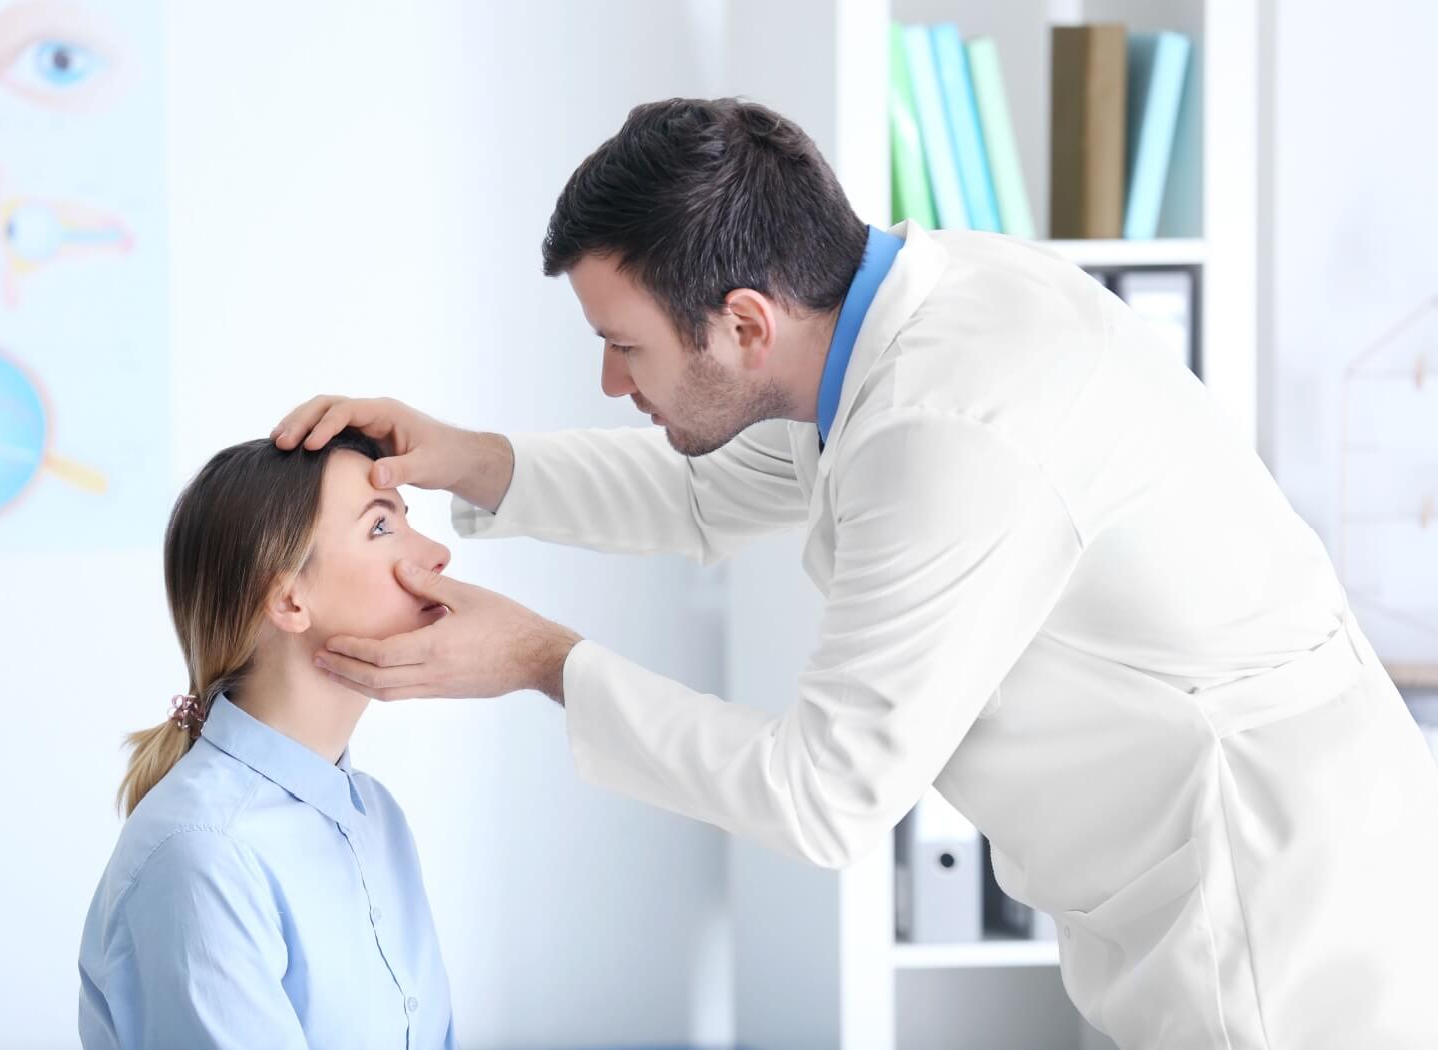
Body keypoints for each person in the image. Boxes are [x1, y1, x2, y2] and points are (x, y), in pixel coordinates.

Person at [274, 98, 1438, 1048]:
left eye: (624, 348)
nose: (613, 386)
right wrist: (467, 459)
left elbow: (820, 797)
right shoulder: (894, 311)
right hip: (1223, 865)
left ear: (741, 323)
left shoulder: (955, 429)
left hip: (1270, 922)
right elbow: (705, 489)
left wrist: (541, 661)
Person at [78, 431, 457, 1049]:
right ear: (287, 598)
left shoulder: (377, 817)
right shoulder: (204, 854)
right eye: (381, 528)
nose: (438, 553)